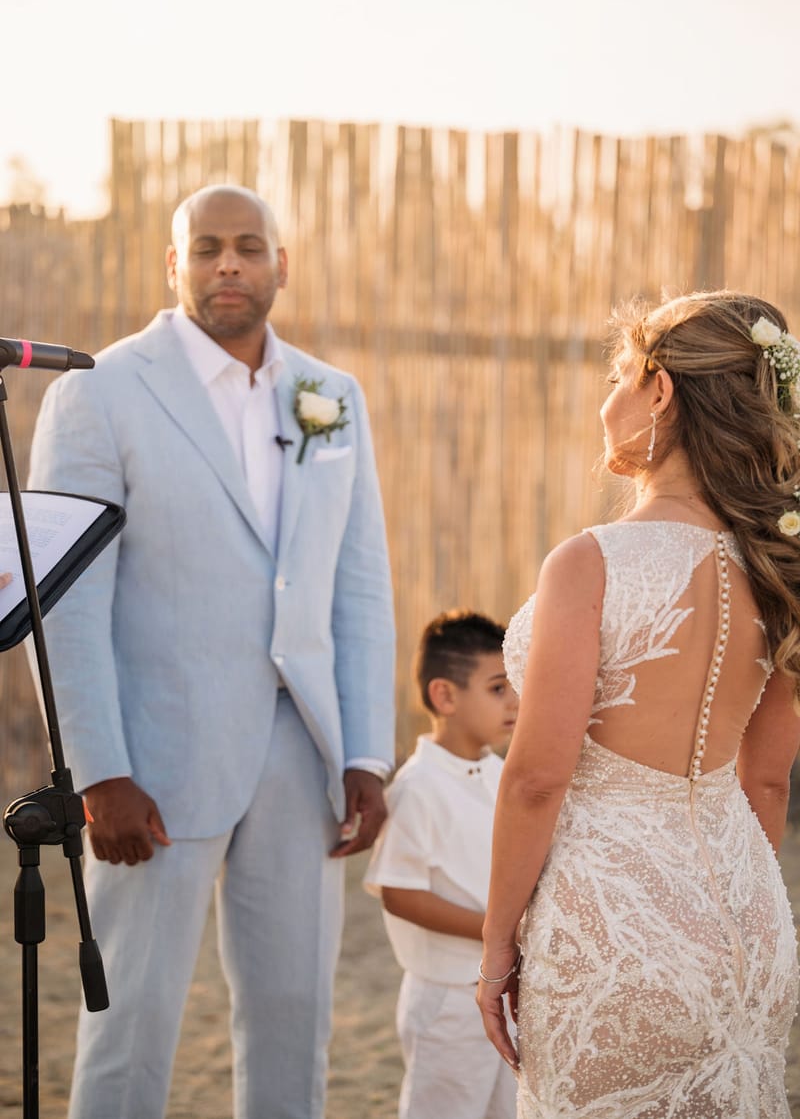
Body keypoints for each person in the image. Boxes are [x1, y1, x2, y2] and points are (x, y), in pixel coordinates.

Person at [26, 184, 396, 1119]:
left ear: (281, 265)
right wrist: (98, 771)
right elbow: (64, 602)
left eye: (247, 246)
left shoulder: (330, 397)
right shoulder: (98, 391)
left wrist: (364, 753)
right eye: (205, 248)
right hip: (152, 761)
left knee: (294, 1017)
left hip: (299, 750)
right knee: (132, 1021)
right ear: (174, 265)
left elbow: (357, 586)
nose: (227, 263)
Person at [477, 291, 800, 1117]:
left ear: (661, 391)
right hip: (750, 923)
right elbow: (766, 781)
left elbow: (537, 778)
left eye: (621, 375)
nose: (606, 400)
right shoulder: (780, 565)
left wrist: (496, 946)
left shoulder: (590, 562)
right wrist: (728, 905)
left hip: (612, 930)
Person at [365, 610, 518, 1118]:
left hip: (507, 986)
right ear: (445, 696)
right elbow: (399, 892)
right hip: (447, 1001)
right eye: (498, 688)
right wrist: (497, 932)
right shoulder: (417, 787)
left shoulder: (501, 774)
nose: (515, 701)